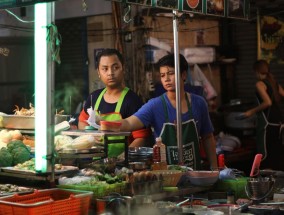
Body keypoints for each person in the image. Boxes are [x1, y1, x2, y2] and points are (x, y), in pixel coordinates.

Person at [113, 53, 218, 170]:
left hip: (194, 173)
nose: (166, 79)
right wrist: (107, 124)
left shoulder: (199, 103)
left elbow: (208, 137)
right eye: (162, 75)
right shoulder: (155, 105)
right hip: (166, 177)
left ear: (183, 75)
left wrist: (214, 167)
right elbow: (129, 123)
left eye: (171, 73)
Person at [78, 48, 152, 157]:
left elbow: (141, 138)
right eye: (105, 69)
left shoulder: (132, 100)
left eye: (115, 67)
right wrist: (90, 137)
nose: (110, 73)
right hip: (96, 162)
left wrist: (121, 158)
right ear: (99, 72)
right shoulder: (94, 97)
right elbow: (82, 122)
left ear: (123, 69)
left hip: (123, 165)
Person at [241, 59, 284, 170]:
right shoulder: (274, 82)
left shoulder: (260, 84)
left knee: (263, 154)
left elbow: (267, 102)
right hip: (278, 122)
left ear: (256, 71)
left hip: (267, 123)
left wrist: (251, 111)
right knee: (276, 153)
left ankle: (263, 181)